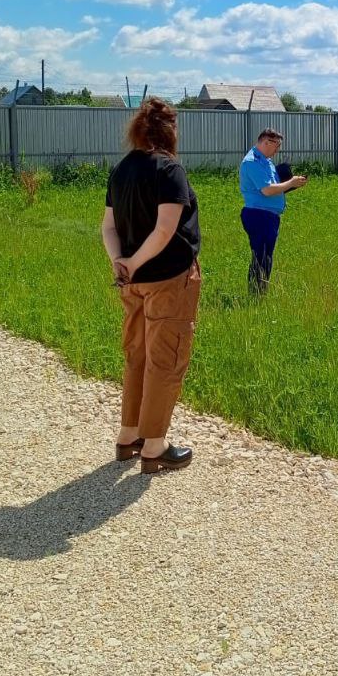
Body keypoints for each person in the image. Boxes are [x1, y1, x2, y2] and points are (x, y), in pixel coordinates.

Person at [101, 97, 202, 475]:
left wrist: (122, 263)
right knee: (166, 360)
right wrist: (136, 262)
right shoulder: (169, 169)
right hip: (169, 279)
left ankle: (129, 436)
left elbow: (108, 227)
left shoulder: (122, 169)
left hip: (132, 282)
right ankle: (155, 446)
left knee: (137, 356)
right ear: (170, 129)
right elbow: (165, 229)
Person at [239, 128, 307, 293]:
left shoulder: (265, 160)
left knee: (265, 255)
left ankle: (260, 290)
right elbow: (267, 190)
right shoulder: (252, 162)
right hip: (259, 215)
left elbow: (273, 186)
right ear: (266, 142)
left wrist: (288, 183)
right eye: (276, 145)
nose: (278, 150)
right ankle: (256, 293)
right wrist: (290, 183)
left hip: (268, 215)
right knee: (261, 256)